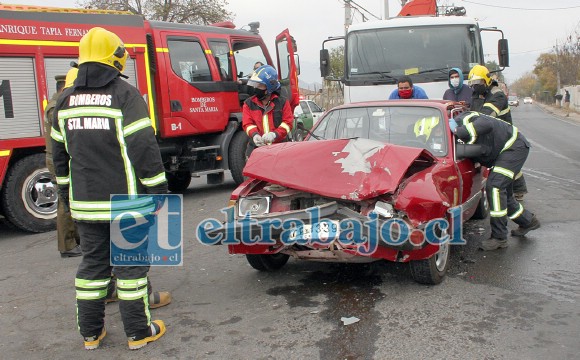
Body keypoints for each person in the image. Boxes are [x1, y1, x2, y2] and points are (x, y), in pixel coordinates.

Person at [51, 27, 168, 350]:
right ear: (115, 58)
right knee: (130, 268)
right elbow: (143, 147)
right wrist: (159, 189)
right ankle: (138, 332)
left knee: (93, 267)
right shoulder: (125, 95)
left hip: (86, 204)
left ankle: (91, 335)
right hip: (125, 204)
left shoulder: (65, 100)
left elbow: (59, 161)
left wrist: (67, 198)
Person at [449, 111, 541, 251]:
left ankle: (499, 238)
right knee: (504, 197)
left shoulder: (464, 119)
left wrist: (458, 131)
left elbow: (487, 124)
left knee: (495, 187)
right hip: (502, 152)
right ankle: (528, 221)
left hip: (513, 147)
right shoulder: (449, 130)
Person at [468, 64, 527, 200]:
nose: (475, 86)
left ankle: (519, 190)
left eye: (478, 82)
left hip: (504, 135)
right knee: (505, 163)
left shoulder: (497, 95)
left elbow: (487, 115)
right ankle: (517, 190)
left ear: (486, 80)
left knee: (509, 165)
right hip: (491, 134)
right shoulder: (478, 94)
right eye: (472, 83)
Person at [44, 72, 81, 258]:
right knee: (64, 203)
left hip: (64, 159)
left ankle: (76, 240)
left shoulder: (59, 103)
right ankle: (67, 245)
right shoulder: (56, 107)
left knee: (71, 200)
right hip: (59, 161)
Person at [242, 64, 293, 153]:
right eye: (255, 85)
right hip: (257, 150)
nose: (256, 88)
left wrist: (274, 134)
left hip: (279, 149)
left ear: (269, 88)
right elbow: (247, 124)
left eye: (260, 85)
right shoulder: (248, 103)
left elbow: (288, 124)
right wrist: (254, 135)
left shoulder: (282, 102)